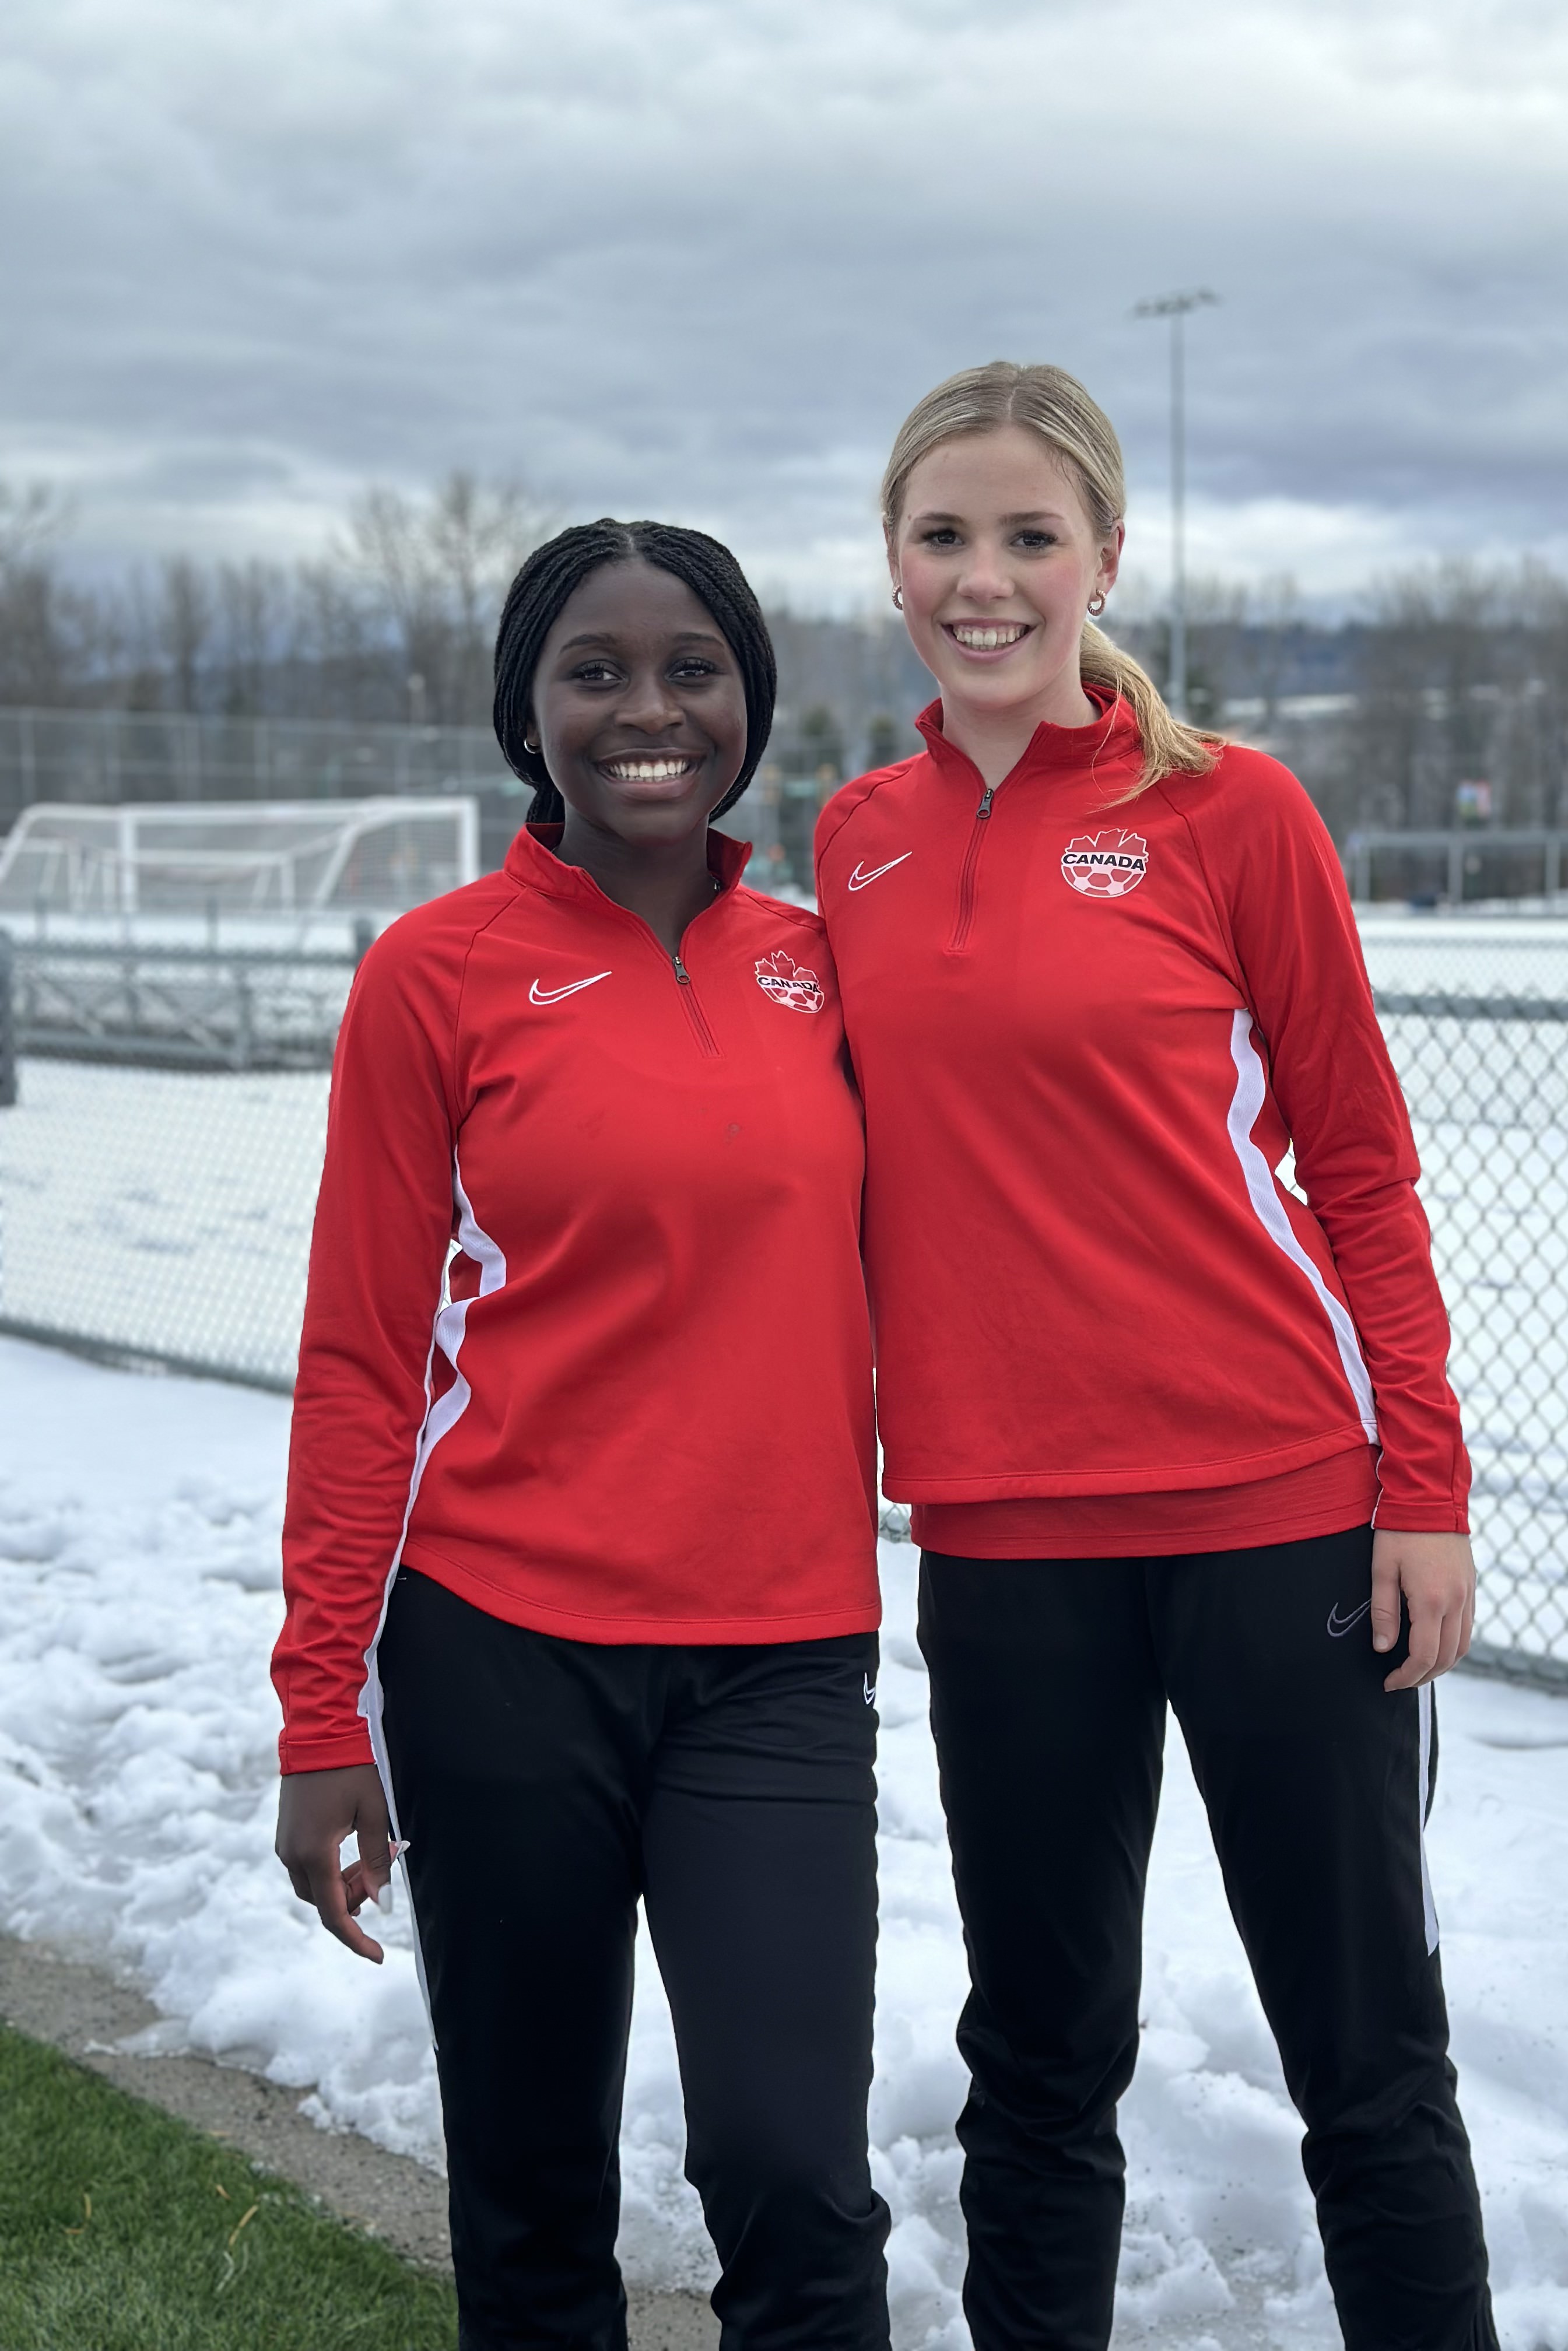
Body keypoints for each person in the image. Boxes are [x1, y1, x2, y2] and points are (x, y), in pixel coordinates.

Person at [815, 363, 1497, 2351]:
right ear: (892, 563)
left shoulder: (1231, 813)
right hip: (1008, 1546)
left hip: (1279, 1520)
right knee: (1038, 2064)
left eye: (1031, 536)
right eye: (946, 535)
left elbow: (1359, 1167)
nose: (987, 578)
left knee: (1367, 2060)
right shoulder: (852, 845)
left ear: (1106, 558)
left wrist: (1425, 1487)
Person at [273, 520, 891, 2351]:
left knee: (795, 2173)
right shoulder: (436, 973)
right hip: (501, 1654)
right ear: (525, 709)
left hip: (778, 1661)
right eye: (594, 671)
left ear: (748, 700)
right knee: (532, 2197)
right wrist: (321, 1711)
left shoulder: (827, 970)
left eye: (693, 669)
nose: (648, 711)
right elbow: (364, 1361)